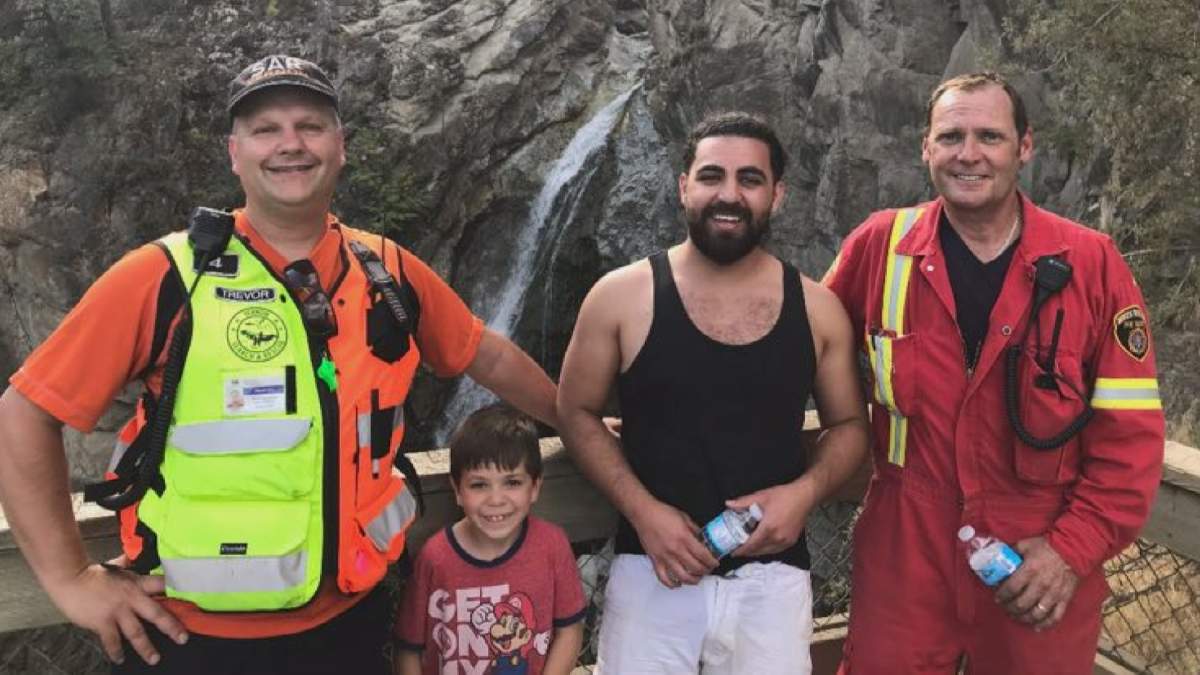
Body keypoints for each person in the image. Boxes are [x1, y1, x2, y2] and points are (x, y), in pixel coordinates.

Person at [0, 55, 558, 675]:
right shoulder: (166, 277)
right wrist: (72, 578)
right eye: (266, 129)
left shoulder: (388, 271)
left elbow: (486, 353)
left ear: (340, 146)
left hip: (351, 624)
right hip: (190, 640)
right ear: (235, 152)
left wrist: (579, 425)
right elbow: (24, 412)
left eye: (310, 125)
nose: (290, 144)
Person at [823, 71, 1166, 674]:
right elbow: (790, 350)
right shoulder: (882, 246)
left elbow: (1131, 440)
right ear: (926, 148)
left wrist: (1070, 551)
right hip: (906, 544)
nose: (969, 154)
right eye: (951, 136)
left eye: (990, 136)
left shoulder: (1090, 264)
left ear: (1024, 147)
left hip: (1038, 552)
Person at [556, 112, 870, 674]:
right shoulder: (619, 297)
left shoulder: (818, 308)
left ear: (778, 194)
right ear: (684, 187)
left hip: (774, 581)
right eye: (711, 176)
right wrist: (643, 511)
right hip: (651, 567)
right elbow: (573, 411)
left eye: (750, 179)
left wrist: (804, 494)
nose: (729, 194)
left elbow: (848, 426)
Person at [394, 403, 585, 675]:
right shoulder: (435, 557)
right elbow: (408, 649)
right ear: (457, 490)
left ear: (535, 487)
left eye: (512, 482)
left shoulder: (551, 546)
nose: (496, 500)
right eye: (479, 485)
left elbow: (570, 630)